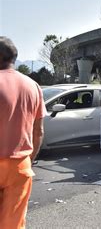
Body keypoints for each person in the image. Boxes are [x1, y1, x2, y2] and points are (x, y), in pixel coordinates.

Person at [0, 37, 46, 229]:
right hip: (20, 165)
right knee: (12, 223)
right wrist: (29, 159)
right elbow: (38, 131)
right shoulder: (33, 86)